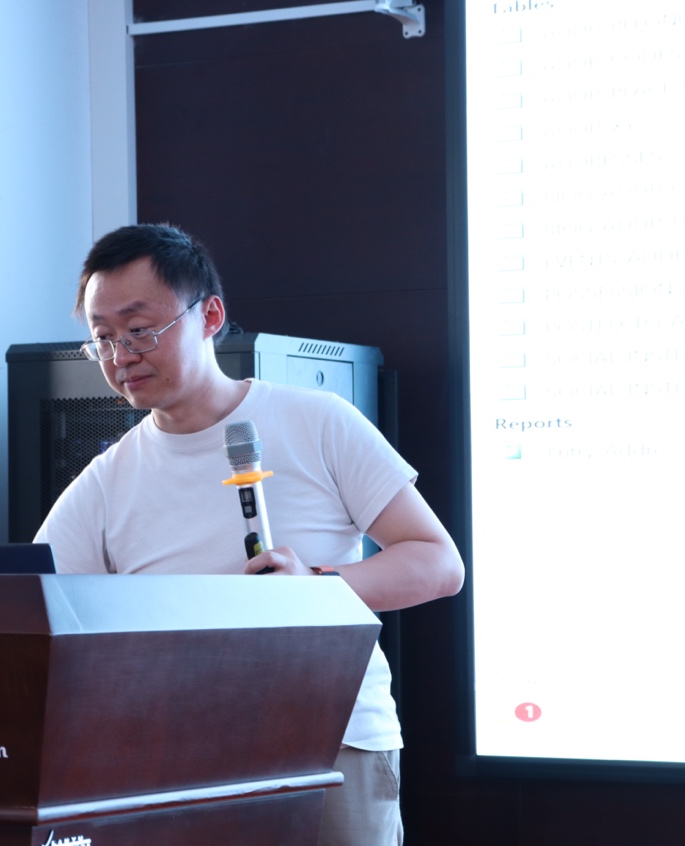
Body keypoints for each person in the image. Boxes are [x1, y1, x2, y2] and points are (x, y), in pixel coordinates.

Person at [35, 223, 464, 845]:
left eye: (139, 329)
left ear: (209, 317)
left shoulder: (318, 421)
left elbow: (438, 563)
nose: (121, 356)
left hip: (333, 740)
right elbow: (40, 607)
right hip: (179, 753)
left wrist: (314, 586)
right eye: (102, 339)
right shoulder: (104, 481)